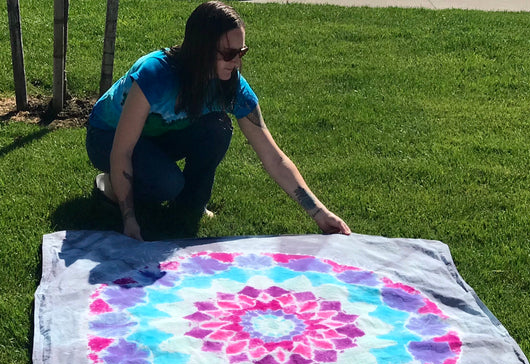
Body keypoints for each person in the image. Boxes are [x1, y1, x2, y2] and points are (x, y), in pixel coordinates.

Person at [86, 1, 350, 241]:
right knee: (167, 184)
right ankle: (109, 185)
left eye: (241, 52)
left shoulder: (233, 88)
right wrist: (129, 218)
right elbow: (123, 150)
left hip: (158, 136)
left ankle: (191, 204)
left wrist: (320, 213)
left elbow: (274, 157)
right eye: (228, 53)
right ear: (201, 50)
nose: (236, 62)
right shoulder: (155, 75)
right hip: (107, 137)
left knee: (218, 127)